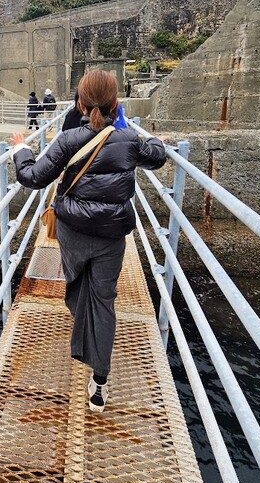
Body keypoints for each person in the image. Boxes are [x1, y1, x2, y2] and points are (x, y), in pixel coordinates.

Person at [10, 70, 167, 413]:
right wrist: (154, 139)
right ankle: (99, 384)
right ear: (117, 104)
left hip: (73, 231)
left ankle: (83, 331)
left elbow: (32, 177)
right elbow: (156, 156)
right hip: (111, 235)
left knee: (77, 285)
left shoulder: (68, 140)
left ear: (79, 103)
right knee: (104, 300)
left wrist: (21, 148)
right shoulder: (127, 140)